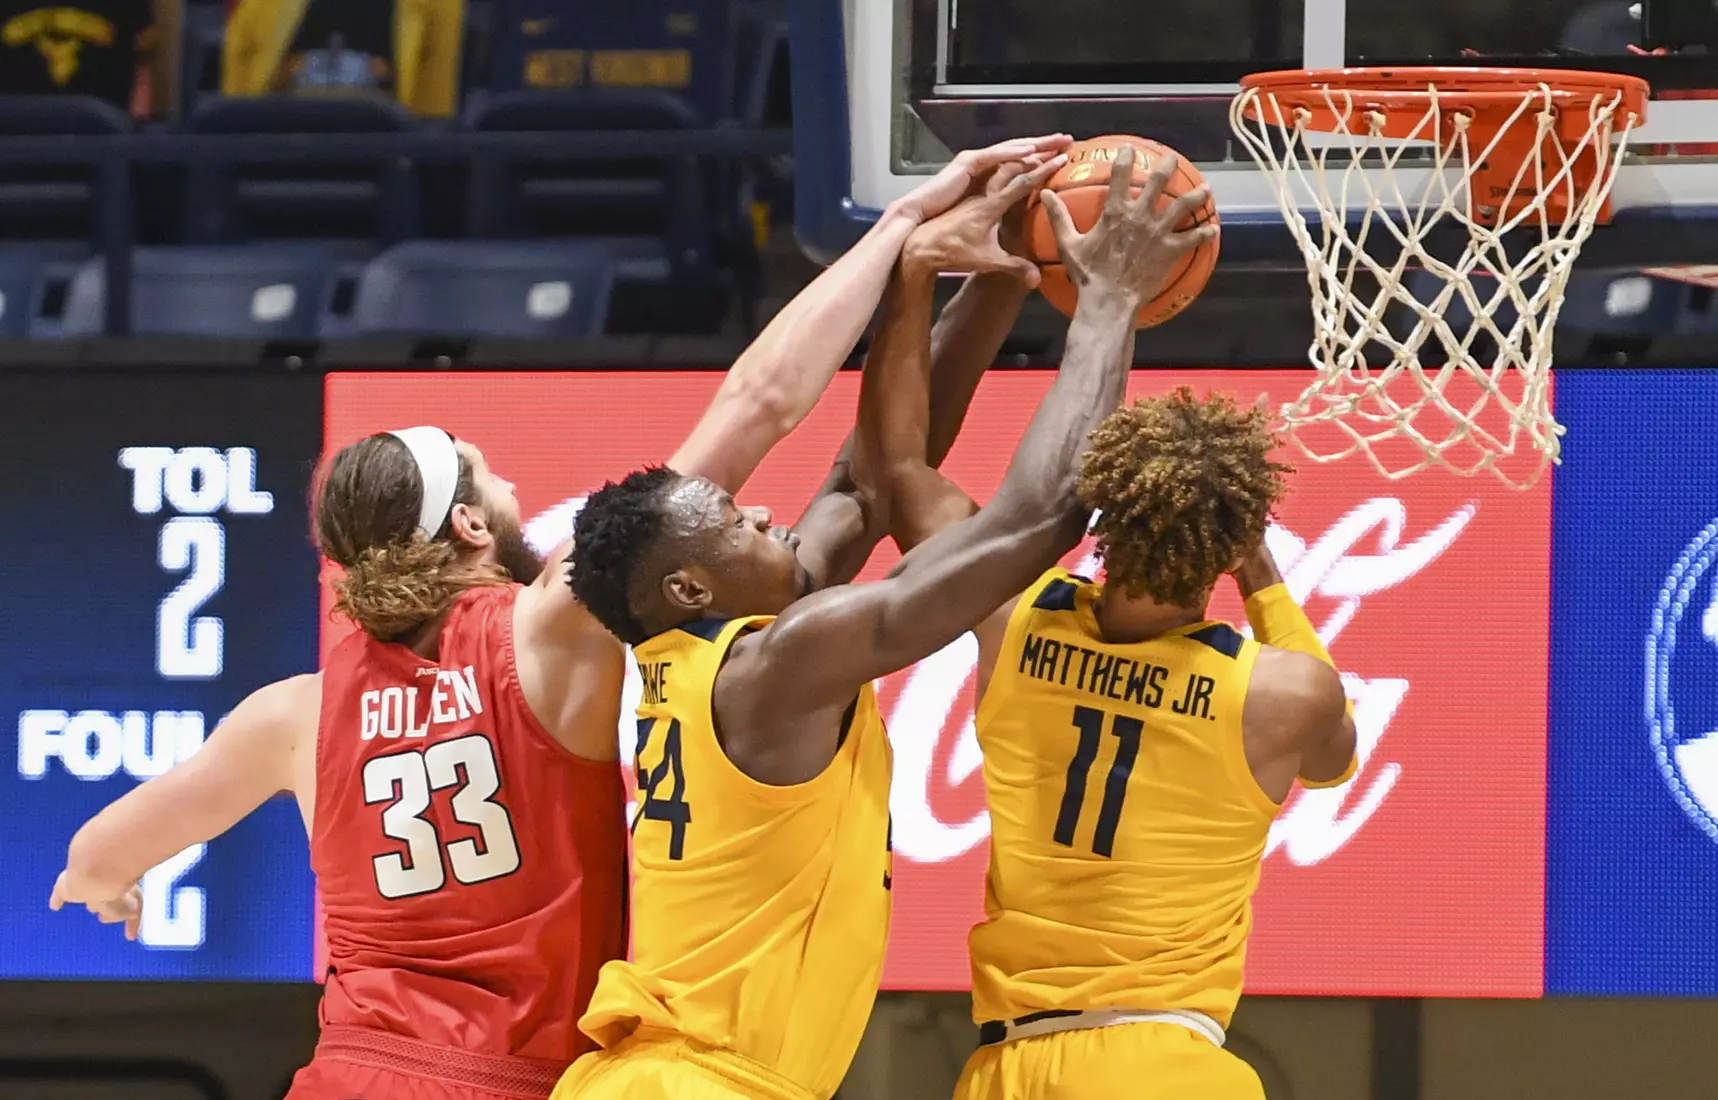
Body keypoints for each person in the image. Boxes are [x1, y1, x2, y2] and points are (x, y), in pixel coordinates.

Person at [45, 134, 1070, 1100]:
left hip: (350, 1069)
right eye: (491, 476)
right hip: (518, 1074)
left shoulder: (291, 714)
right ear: (468, 526)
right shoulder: (552, 622)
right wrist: (898, 226)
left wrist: (113, 887)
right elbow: (760, 400)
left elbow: (95, 853)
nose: (511, 484)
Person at [554, 143, 1213, 1100]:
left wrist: (973, 274)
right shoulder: (775, 669)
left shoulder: (721, 662)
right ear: (690, 589)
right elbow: (1035, 522)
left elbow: (868, 484)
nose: (765, 513)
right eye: (737, 522)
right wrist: (1105, 298)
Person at [872, 276, 1358, 1096]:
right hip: (1160, 1064)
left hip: (1007, 1066)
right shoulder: (1278, 694)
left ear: (1102, 509)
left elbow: (897, 468)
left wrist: (921, 277)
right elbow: (1334, 758)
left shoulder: (1011, 615)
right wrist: (1261, 575)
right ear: (1232, 540)